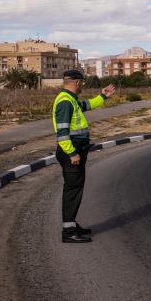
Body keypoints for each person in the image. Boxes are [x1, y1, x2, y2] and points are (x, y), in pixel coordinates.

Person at [53, 70, 116, 243]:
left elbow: (86, 105)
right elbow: (62, 132)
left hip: (76, 149)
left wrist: (103, 96)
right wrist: (72, 153)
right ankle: (68, 231)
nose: (83, 86)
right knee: (73, 189)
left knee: (75, 187)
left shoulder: (70, 99)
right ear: (77, 83)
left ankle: (71, 225)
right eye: (83, 83)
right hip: (71, 150)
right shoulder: (65, 102)